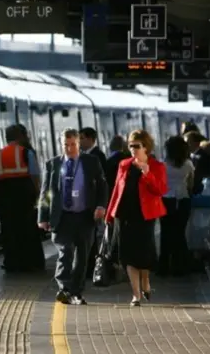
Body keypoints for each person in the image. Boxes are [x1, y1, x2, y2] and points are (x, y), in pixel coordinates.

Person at [38, 128, 108, 305]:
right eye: (65, 145)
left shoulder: (91, 162)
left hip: (84, 216)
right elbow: (46, 193)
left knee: (82, 255)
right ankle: (64, 288)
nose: (69, 149)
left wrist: (101, 206)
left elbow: (102, 186)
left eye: (73, 144)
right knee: (65, 250)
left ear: (78, 144)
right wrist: (42, 216)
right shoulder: (53, 164)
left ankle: (76, 292)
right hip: (62, 217)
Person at [105, 129, 167, 307]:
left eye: (136, 146)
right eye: (130, 145)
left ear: (146, 147)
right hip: (125, 215)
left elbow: (161, 190)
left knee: (144, 254)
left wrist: (147, 173)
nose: (132, 149)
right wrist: (110, 214)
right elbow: (117, 190)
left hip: (145, 216)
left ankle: (146, 281)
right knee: (128, 255)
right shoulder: (124, 164)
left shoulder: (157, 166)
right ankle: (136, 295)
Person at [0, 125, 41, 272]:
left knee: (8, 231)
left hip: (5, 196)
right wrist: (38, 194)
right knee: (26, 229)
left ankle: (11, 262)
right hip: (25, 196)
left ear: (7, 137)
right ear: (20, 136)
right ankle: (29, 262)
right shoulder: (26, 152)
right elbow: (34, 175)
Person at [158, 136, 193, 277]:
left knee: (166, 234)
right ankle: (181, 266)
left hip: (166, 201)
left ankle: (164, 266)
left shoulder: (163, 165)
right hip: (183, 201)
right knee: (180, 233)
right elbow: (191, 185)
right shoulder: (188, 164)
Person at [15, 124, 46, 270]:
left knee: (22, 233)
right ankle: (35, 262)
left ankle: (23, 262)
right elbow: (35, 177)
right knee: (31, 232)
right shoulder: (27, 152)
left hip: (18, 199)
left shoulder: (23, 152)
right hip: (28, 197)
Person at [79, 127, 108, 278]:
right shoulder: (86, 156)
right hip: (88, 204)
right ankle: (89, 266)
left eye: (82, 138)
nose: (80, 141)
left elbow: (102, 183)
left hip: (95, 205)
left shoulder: (97, 156)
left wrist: (100, 204)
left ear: (91, 139)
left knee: (95, 237)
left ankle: (93, 267)